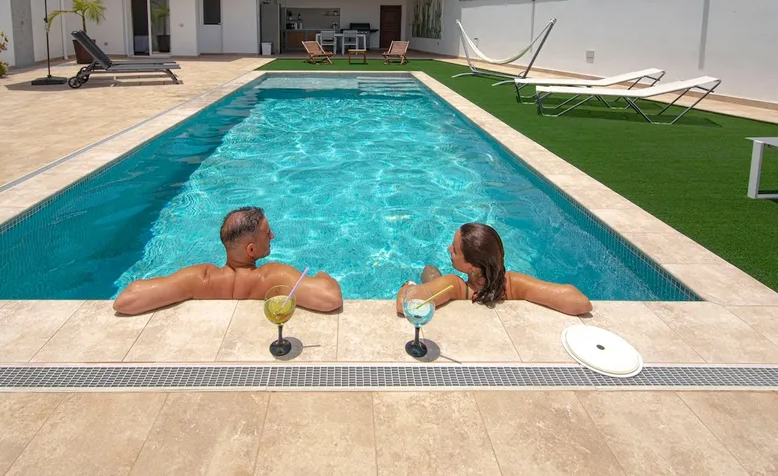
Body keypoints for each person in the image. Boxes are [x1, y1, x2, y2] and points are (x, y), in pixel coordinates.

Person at [113, 206, 342, 315]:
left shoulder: (199, 279)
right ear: (251, 249)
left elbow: (125, 301)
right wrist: (323, 276)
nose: (272, 236)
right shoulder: (272, 277)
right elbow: (330, 298)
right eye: (267, 233)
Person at [395, 223, 592, 316]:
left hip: (447, 289)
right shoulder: (513, 284)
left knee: (429, 271)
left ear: (472, 266)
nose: (449, 249)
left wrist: (407, 287)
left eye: (454, 249)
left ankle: (429, 278)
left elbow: (406, 304)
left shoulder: (455, 286)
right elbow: (581, 302)